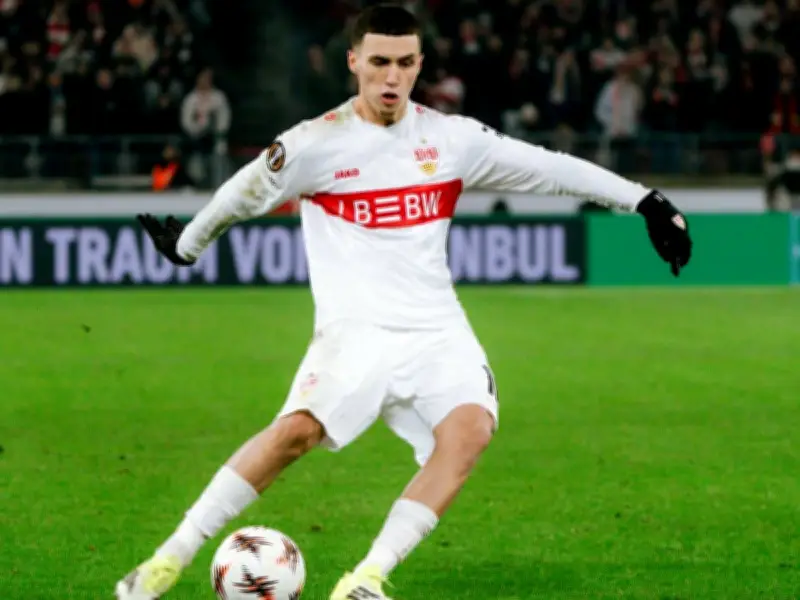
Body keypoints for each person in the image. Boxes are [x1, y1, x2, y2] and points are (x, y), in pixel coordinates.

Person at [116, 4, 692, 599]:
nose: (391, 76)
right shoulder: (315, 143)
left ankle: (366, 579)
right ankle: (167, 560)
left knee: (470, 430)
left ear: (420, 65)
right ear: (353, 62)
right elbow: (242, 193)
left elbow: (547, 168)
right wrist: (187, 244)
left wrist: (644, 201)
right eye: (379, 62)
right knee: (296, 434)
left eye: (404, 63)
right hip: (356, 331)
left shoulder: (451, 139)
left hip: (436, 329)